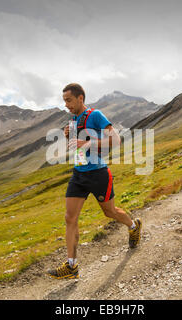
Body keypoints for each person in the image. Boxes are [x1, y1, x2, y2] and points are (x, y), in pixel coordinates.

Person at [47, 83, 142, 279]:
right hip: (79, 174)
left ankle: (133, 226)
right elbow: (78, 149)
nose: (66, 104)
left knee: (110, 212)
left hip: (98, 173)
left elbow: (116, 141)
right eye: (64, 101)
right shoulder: (73, 120)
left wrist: (89, 142)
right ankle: (72, 265)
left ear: (80, 98)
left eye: (69, 100)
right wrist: (69, 138)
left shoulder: (96, 115)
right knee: (70, 218)